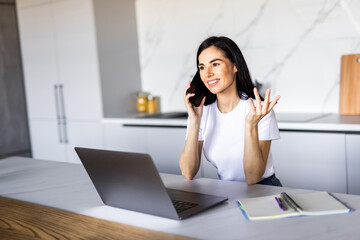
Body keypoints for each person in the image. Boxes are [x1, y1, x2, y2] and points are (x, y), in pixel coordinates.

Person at [179, 36, 282, 186]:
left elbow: (253, 178)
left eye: (215, 64)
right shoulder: (202, 111)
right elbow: (188, 172)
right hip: (227, 189)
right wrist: (194, 122)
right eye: (202, 67)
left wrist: (250, 125)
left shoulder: (258, 110)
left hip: (264, 189)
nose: (207, 74)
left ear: (235, 66)